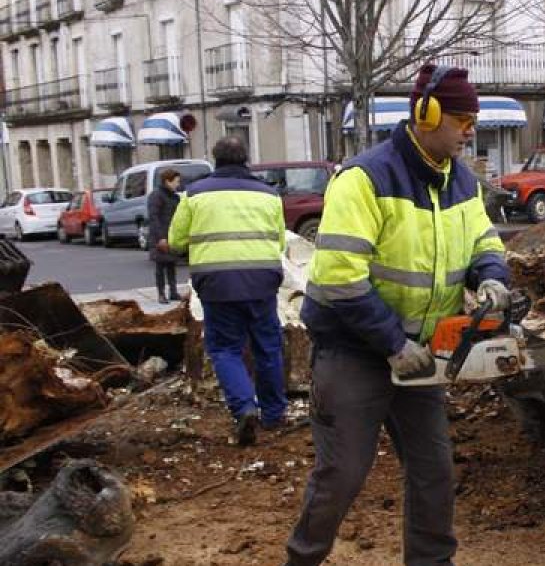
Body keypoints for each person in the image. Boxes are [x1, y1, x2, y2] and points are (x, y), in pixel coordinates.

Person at [286, 65, 509, 566]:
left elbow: (483, 241)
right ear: (426, 115)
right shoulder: (365, 179)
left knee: (434, 470)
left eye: (473, 118)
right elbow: (342, 274)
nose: (470, 129)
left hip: (422, 353)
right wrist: (391, 342)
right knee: (342, 473)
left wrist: (491, 275)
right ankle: (301, 560)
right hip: (355, 349)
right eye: (461, 118)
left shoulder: (463, 183)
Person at [167, 137, 288, 445]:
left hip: (217, 284)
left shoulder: (194, 194)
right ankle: (274, 415)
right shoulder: (269, 194)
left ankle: (244, 406)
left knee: (224, 349)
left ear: (215, 160)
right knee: (268, 347)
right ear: (246, 158)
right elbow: (280, 243)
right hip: (261, 282)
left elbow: (178, 241)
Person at [147, 168, 183, 304]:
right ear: (167, 181)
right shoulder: (156, 196)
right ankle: (161, 294)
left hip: (172, 234)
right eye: (176, 181)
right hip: (160, 235)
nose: (178, 184)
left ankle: (173, 291)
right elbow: (153, 216)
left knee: (171, 264)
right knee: (160, 266)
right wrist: (161, 237)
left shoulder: (175, 197)